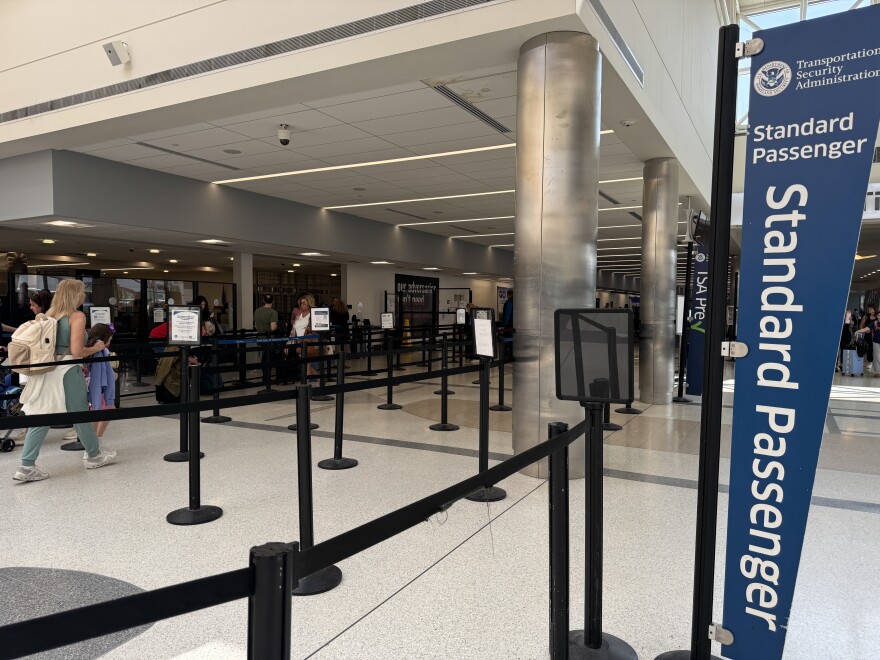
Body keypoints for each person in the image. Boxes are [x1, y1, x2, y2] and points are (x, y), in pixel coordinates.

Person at [13, 279, 117, 482]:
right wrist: (96, 348)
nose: (84, 296)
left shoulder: (49, 315)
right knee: (80, 414)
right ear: (74, 294)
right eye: (82, 292)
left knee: (41, 417)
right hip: (68, 370)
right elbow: (77, 351)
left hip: (46, 370)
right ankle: (94, 455)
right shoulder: (76, 316)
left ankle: (26, 465)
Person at [85, 323, 116, 438]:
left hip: (90, 386)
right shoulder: (101, 352)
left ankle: (95, 440)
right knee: (104, 410)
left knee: (97, 410)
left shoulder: (88, 348)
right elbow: (103, 373)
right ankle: (96, 440)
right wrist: (114, 376)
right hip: (99, 387)